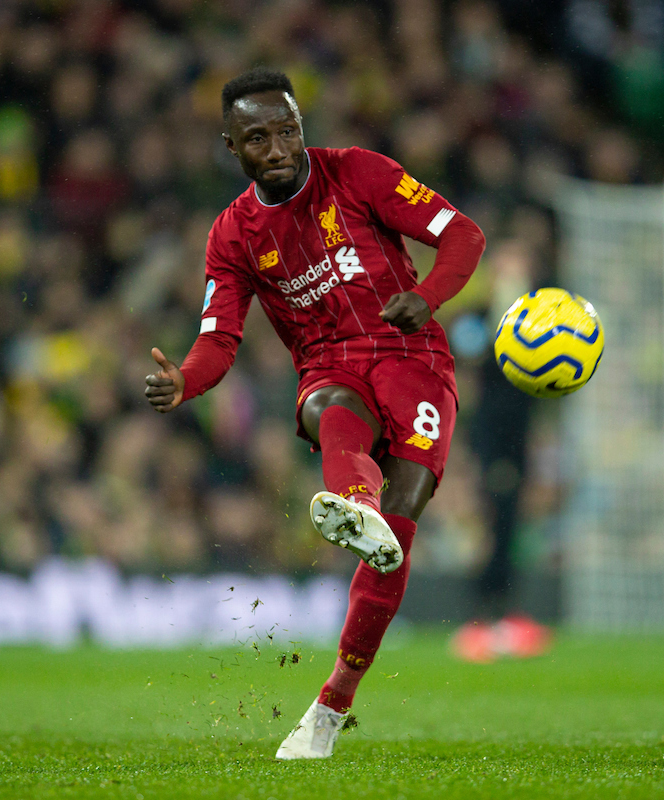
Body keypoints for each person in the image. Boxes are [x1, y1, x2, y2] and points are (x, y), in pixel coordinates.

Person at [143, 67, 485, 757]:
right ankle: (350, 501)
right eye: (258, 137)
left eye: (288, 130)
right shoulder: (232, 235)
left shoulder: (360, 172)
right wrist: (186, 381)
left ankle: (331, 705)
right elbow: (219, 337)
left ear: (303, 126)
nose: (278, 147)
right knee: (330, 405)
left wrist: (431, 296)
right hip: (327, 367)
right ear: (231, 147)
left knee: (401, 526)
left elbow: (464, 237)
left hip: (410, 354)